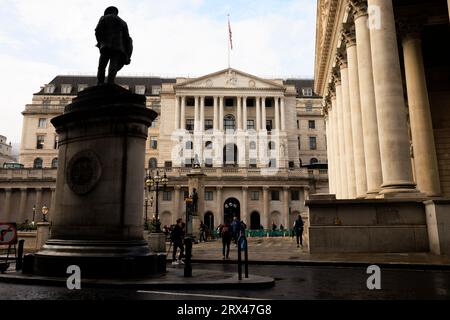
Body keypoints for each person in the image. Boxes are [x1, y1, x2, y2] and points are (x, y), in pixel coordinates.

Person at [95, 6, 133, 85]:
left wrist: (100, 42)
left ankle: (100, 82)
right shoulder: (123, 22)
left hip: (105, 46)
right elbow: (127, 38)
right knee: (113, 66)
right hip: (118, 48)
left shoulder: (104, 18)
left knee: (102, 65)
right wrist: (127, 53)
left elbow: (98, 31)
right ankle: (110, 82)